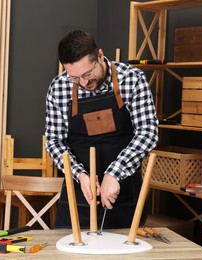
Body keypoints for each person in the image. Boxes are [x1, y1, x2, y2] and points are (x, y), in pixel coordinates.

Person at [45, 29, 158, 229]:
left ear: (99, 56)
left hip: (123, 192)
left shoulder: (132, 80)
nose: (84, 83)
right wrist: (80, 175)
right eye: (75, 78)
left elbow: (148, 132)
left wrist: (114, 173)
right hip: (79, 193)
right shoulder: (59, 87)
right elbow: (54, 141)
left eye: (88, 74)